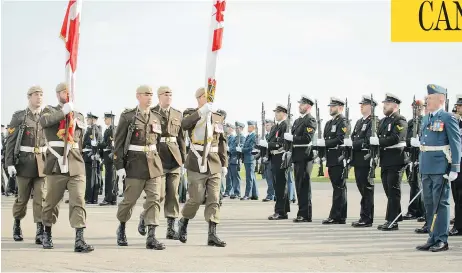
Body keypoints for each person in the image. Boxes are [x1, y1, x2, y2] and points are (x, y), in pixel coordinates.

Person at [40, 82, 93, 252]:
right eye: (64, 92)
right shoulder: (49, 110)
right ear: (57, 95)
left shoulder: (79, 115)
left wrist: (70, 112)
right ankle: (47, 233)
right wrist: (63, 112)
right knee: (51, 202)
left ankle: (79, 239)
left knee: (78, 200)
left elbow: (80, 140)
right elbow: (45, 122)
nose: (67, 94)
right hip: (56, 163)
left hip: (75, 163)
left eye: (69, 91)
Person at [114, 85, 166, 250]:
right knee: (129, 201)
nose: (150, 97)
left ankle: (151, 237)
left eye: (151, 94)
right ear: (138, 96)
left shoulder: (156, 117)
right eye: (146, 94)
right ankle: (121, 227)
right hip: (134, 165)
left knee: (155, 199)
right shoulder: (128, 116)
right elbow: (119, 143)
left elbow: (157, 143)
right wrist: (119, 166)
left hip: (153, 165)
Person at [176, 87, 227, 247]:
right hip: (197, 162)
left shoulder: (217, 117)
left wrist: (224, 163)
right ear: (199, 98)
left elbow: (221, 143)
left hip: (214, 163)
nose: (209, 99)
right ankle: (183, 221)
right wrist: (201, 112)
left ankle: (212, 234)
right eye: (206, 97)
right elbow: (184, 125)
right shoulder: (190, 113)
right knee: (196, 199)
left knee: (214, 199)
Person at [414, 84, 460, 252]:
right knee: (429, 203)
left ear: (441, 99)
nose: (427, 100)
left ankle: (442, 239)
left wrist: (455, 167)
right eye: (427, 98)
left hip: (441, 167)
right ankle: (432, 237)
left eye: (431, 98)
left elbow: (456, 143)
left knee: (441, 204)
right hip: (426, 166)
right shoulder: (426, 118)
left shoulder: (447, 117)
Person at [137, 86, 186, 240]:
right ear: (159, 96)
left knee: (173, 194)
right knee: (159, 195)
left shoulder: (178, 114)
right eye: (166, 94)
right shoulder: (152, 113)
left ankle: (171, 228)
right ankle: (145, 216)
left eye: (171, 94)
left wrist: (183, 160)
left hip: (174, 158)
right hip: (158, 158)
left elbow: (181, 139)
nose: (169, 96)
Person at [6, 86, 48, 243]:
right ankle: (17, 224)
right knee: (22, 198)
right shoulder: (19, 117)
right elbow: (11, 141)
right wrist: (9, 163)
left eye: (42, 95)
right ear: (29, 97)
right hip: (24, 164)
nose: (39, 97)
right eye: (36, 95)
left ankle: (40, 230)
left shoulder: (46, 116)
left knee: (40, 198)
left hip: (42, 163)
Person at [370, 93, 407, 231]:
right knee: (388, 189)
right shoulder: (385, 121)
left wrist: (378, 141)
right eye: (385, 103)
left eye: (388, 103)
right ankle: (396, 216)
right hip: (385, 159)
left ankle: (392, 221)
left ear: (395, 106)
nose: (384, 106)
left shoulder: (400, 120)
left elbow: (396, 138)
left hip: (396, 159)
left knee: (393, 190)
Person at [283, 95, 316, 222]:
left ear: (308, 106)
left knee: (304, 186)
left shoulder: (310, 120)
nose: (299, 106)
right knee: (298, 186)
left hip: (305, 156)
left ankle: (306, 214)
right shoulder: (297, 121)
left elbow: (307, 138)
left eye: (302, 104)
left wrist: (292, 138)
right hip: (297, 156)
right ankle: (301, 213)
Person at [318, 97, 348, 225]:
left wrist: (325, 143)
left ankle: (337, 216)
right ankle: (339, 216)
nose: (331, 108)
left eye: (333, 106)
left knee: (339, 188)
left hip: (338, 158)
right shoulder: (329, 123)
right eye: (330, 106)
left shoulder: (343, 122)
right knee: (337, 188)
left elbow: (341, 139)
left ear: (340, 108)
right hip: (331, 158)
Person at [259, 104, 290, 220]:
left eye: (278, 112)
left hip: (281, 157)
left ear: (284, 113)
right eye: (275, 112)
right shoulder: (275, 126)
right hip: (273, 157)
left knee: (281, 185)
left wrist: (269, 145)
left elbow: (282, 143)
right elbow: (271, 140)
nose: (276, 114)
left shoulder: (285, 125)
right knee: (278, 186)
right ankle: (282, 211)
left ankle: (280, 212)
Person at [350, 95, 377, 227]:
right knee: (362, 189)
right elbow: (353, 137)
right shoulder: (360, 122)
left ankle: (367, 218)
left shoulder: (374, 121)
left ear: (371, 107)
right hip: (358, 160)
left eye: (364, 104)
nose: (361, 106)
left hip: (366, 160)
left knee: (367, 189)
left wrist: (353, 143)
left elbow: (367, 141)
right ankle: (363, 216)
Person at [403, 100, 426, 221]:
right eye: (413, 108)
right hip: (411, 155)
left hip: (420, 155)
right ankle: (413, 210)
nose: (415, 110)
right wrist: (409, 142)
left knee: (419, 185)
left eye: (417, 108)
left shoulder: (424, 120)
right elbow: (405, 138)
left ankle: (421, 211)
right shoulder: (410, 122)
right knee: (413, 184)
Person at [82, 112, 102, 204]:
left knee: (91, 178)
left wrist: (93, 153)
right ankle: (92, 198)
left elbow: (94, 144)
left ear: (93, 120)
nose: (87, 120)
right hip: (91, 155)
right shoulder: (93, 129)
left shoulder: (93, 130)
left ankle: (90, 198)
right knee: (93, 177)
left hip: (90, 156)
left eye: (88, 119)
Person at [449, 96, 462, 237]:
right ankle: (458, 223)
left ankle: (459, 226)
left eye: (460, 106)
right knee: (457, 196)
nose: (458, 107)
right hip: (456, 162)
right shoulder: (457, 123)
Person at [99, 112, 117, 206]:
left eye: (106, 119)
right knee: (111, 177)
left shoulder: (113, 129)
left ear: (110, 119)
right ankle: (112, 198)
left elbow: (110, 143)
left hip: (110, 154)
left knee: (110, 178)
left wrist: (98, 144)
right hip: (108, 154)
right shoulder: (108, 129)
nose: (105, 120)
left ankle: (109, 198)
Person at [239, 121, 259, 200]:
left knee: (249, 177)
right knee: (252, 177)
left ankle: (248, 194)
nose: (248, 128)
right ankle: (255, 194)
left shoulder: (254, 136)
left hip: (250, 159)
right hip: (247, 159)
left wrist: (242, 149)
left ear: (253, 127)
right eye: (248, 126)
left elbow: (251, 148)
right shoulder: (248, 136)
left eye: (250, 126)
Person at [228, 122, 245, 199]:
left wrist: (232, 149)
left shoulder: (242, 137)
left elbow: (240, 147)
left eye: (238, 128)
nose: (236, 130)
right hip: (232, 159)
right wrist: (231, 149)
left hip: (236, 159)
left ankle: (237, 192)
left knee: (236, 177)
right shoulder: (235, 137)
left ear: (241, 128)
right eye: (236, 128)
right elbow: (231, 146)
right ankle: (233, 191)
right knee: (232, 176)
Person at [260, 119, 275, 202]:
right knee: (268, 178)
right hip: (265, 159)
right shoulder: (265, 136)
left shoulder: (273, 135)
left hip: (271, 158)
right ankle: (271, 194)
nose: (266, 127)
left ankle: (271, 195)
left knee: (271, 178)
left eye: (268, 125)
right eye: (265, 125)